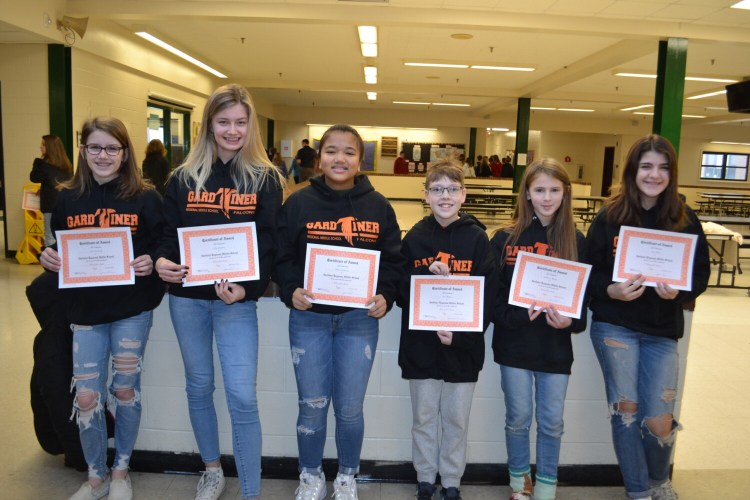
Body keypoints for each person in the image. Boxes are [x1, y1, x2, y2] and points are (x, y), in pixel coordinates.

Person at [155, 83, 284, 500]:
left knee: (243, 396)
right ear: (209, 124)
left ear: (251, 127)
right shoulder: (182, 178)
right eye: (224, 121)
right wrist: (162, 261)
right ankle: (211, 469)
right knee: (198, 387)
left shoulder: (265, 179)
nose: (232, 130)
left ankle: (250, 489)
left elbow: (270, 245)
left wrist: (246, 289)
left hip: (236, 303)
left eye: (241, 122)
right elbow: (167, 236)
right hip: (188, 300)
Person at [274, 124, 405, 500]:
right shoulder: (298, 203)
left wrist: (385, 295)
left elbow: (392, 261)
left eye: (349, 152)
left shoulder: (378, 205)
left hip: (358, 321)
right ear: (319, 156)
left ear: (359, 158)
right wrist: (290, 290)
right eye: (332, 150)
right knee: (312, 406)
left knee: (349, 409)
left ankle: (347, 477)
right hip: (309, 318)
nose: (340, 159)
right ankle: (311, 475)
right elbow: (281, 256)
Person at [38, 117, 164, 500]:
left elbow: (164, 244)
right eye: (95, 147)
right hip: (84, 313)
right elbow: (58, 247)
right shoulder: (68, 197)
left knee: (125, 390)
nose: (103, 155)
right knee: (88, 397)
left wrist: (152, 261)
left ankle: (121, 470)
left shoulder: (146, 197)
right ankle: (95, 476)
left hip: (132, 309)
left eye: (112, 148)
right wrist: (50, 257)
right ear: (82, 151)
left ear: (125, 153)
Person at [586, 135, 710, 500]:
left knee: (659, 418)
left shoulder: (685, 220)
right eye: (646, 166)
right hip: (615, 326)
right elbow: (587, 271)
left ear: (671, 173)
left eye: (663, 167)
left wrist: (682, 292)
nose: (654, 175)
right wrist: (611, 290)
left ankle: (659, 479)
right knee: (626, 411)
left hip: (661, 331)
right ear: (632, 171)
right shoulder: (610, 216)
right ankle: (639, 490)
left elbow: (699, 274)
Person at [398, 161, 496, 500]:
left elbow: (489, 297)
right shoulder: (414, 238)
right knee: (423, 418)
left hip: (463, 348)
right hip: (421, 346)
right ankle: (425, 478)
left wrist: (462, 335)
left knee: (456, 421)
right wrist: (424, 272)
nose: (445, 195)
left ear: (464, 194)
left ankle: (451, 481)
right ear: (426, 195)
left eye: (452, 189)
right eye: (437, 189)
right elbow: (400, 290)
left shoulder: (478, 238)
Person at [491, 158, 587, 500]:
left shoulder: (576, 239)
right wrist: (518, 317)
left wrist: (570, 322)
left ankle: (546, 486)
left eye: (555, 190)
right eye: (539, 190)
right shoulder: (504, 237)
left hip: (555, 349)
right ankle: (520, 485)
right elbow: (494, 300)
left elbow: (581, 307)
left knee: (552, 423)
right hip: (514, 346)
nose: (547, 197)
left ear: (565, 193)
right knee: (517, 419)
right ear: (527, 193)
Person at [30, 134, 73, 247]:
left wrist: (38, 161)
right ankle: (63, 262)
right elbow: (57, 183)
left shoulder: (44, 164)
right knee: (63, 235)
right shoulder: (66, 165)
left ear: (50, 147)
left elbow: (34, 178)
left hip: (50, 206)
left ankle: (52, 264)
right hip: (65, 206)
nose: (40, 147)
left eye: (43, 145)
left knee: (50, 236)